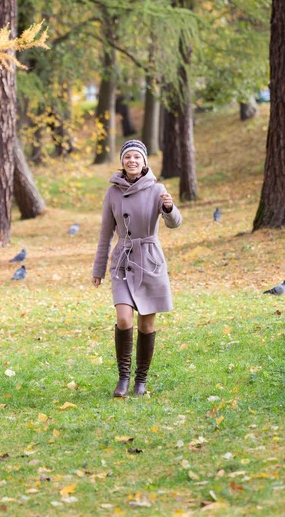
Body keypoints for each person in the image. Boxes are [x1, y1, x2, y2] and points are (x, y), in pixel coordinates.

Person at [92, 140, 182, 397]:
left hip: (150, 261)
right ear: (122, 161)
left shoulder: (158, 189)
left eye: (137, 157)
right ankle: (123, 379)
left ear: (144, 162)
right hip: (122, 261)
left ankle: (140, 381)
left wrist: (169, 208)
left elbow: (174, 223)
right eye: (127, 156)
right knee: (123, 319)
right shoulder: (112, 193)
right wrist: (98, 269)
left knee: (146, 326)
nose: (132, 160)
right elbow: (105, 234)